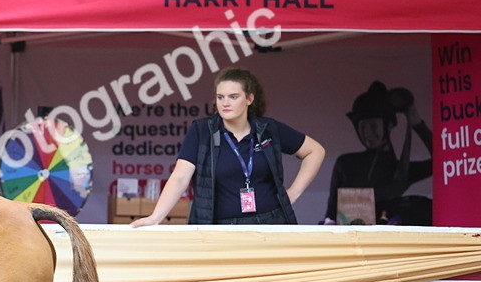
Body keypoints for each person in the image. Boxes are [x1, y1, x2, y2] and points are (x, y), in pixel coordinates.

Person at [131, 67, 324, 226]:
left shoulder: (268, 129)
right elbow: (180, 177)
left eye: (233, 97)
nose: (225, 103)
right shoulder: (201, 131)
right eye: (220, 97)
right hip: (218, 227)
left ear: (249, 99)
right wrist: (156, 217)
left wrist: (293, 193)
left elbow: (315, 151)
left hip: (271, 224)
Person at [323, 81, 432, 225]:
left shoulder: (400, 170)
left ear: (388, 125)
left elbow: (441, 162)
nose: (368, 133)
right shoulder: (345, 164)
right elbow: (330, 215)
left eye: (373, 126)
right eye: (363, 127)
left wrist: (417, 123)